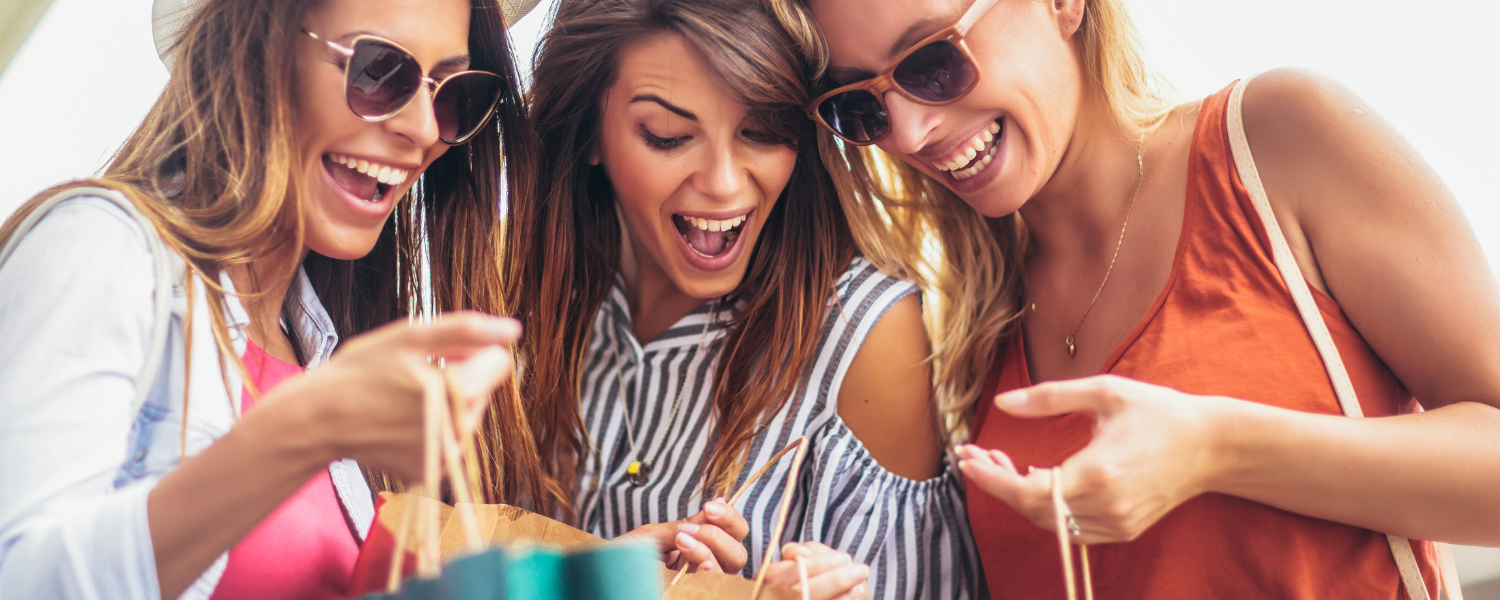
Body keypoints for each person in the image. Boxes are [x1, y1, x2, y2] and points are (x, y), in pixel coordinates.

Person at [796, 0, 1500, 597]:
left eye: (930, 63)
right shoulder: (974, 328)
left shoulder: (1275, 143)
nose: (910, 132)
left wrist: (1220, 448)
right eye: (861, 106)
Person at [0, 0, 546, 597]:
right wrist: (304, 430)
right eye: (377, 70)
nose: (420, 128)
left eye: (450, 93)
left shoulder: (323, 352)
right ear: (257, 51)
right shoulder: (101, 248)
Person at [507, 0, 981, 598]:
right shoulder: (518, 300)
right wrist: (595, 578)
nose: (726, 183)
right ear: (590, 133)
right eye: (670, 137)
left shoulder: (866, 334)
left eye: (761, 131)